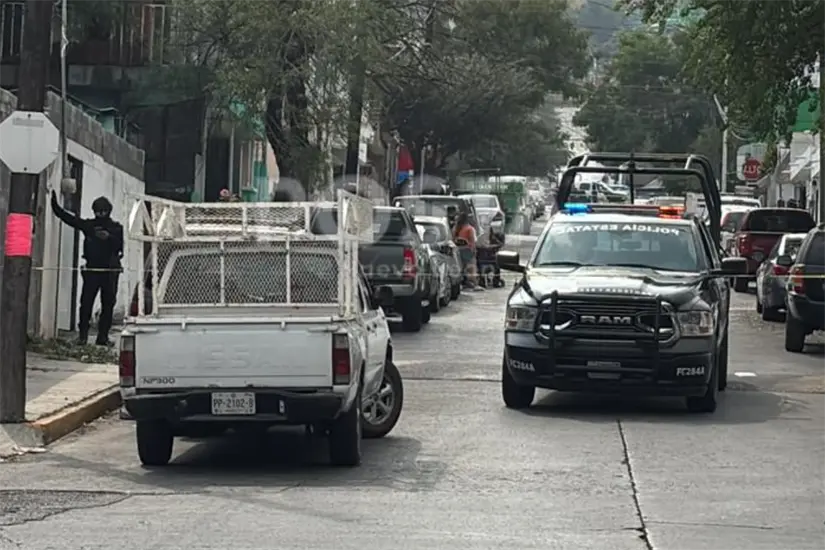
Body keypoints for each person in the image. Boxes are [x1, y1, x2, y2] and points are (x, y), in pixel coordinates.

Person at [50, 191, 123, 346]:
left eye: (103, 211)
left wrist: (109, 237)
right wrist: (55, 205)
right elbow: (70, 219)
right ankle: (83, 336)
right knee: (86, 303)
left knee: (108, 305)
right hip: (92, 270)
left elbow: (120, 246)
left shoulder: (116, 228)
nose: (100, 214)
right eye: (98, 211)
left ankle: (102, 337)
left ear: (108, 211)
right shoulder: (89, 226)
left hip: (110, 272)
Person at [452, 212, 483, 291]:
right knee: (471, 267)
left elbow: (453, 240)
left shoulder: (455, 228)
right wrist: (474, 250)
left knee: (460, 267)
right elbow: (472, 241)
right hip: (468, 250)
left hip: (458, 251)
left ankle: (461, 283)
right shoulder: (470, 229)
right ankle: (473, 283)